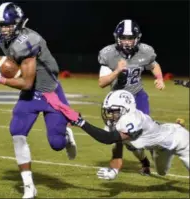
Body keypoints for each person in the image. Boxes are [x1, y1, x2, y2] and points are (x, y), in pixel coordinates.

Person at [0, 2, 78, 198]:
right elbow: (20, 71)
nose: (3, 29)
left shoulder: (29, 42)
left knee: (56, 144)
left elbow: (27, 83)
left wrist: (2, 78)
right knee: (17, 132)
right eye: (1, 25)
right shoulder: (6, 41)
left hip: (49, 94)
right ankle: (29, 185)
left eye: (7, 25)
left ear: (19, 24)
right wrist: (8, 66)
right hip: (30, 97)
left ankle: (66, 135)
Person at [97, 19, 165, 178]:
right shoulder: (109, 54)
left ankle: (158, 147)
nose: (127, 42)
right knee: (128, 141)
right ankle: (145, 162)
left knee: (141, 133)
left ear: (137, 38)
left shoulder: (145, 51)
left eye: (130, 38)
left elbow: (153, 65)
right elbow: (102, 82)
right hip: (118, 101)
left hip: (137, 96)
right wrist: (116, 71)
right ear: (117, 37)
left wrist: (160, 78)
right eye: (124, 38)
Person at [71, 90, 189, 179]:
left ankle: (178, 129)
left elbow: (107, 139)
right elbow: (116, 146)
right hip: (161, 148)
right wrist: (114, 171)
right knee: (161, 172)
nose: (110, 115)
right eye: (109, 111)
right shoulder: (121, 122)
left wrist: (82, 123)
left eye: (114, 111)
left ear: (126, 108)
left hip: (179, 140)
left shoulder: (131, 119)